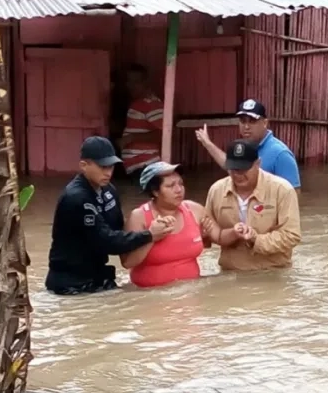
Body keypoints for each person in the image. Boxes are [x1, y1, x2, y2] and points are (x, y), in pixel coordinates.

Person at [45, 136, 175, 295]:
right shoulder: (76, 198)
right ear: (84, 166)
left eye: (111, 167)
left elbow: (119, 228)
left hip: (99, 277)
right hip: (72, 284)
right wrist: (149, 235)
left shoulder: (109, 190)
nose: (108, 172)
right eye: (102, 167)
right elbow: (106, 241)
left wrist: (153, 223)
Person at [205, 139, 302, 271]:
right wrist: (230, 234)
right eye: (233, 169)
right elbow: (208, 234)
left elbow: (291, 235)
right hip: (230, 273)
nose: (238, 175)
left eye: (244, 169)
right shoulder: (216, 191)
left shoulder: (282, 190)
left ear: (258, 163)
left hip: (272, 273)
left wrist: (256, 240)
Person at [121, 162, 220, 288]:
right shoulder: (139, 217)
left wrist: (207, 237)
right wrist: (151, 236)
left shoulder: (195, 210)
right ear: (155, 191)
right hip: (150, 296)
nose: (179, 190)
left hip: (192, 293)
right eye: (170, 186)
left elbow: (217, 239)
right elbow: (128, 262)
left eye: (180, 184)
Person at [195, 99, 301, 191]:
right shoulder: (245, 146)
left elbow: (293, 195)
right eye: (243, 121)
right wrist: (208, 144)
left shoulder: (281, 154)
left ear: (265, 123)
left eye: (252, 121)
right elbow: (230, 166)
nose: (246, 126)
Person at [118, 64, 163, 180]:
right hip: (137, 166)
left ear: (146, 83)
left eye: (136, 82)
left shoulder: (150, 103)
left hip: (145, 165)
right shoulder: (138, 103)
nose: (131, 86)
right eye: (129, 82)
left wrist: (131, 138)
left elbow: (163, 134)